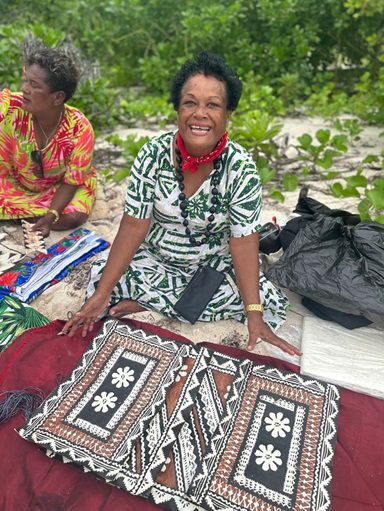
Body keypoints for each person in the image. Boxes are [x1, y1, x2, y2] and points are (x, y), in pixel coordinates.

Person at [63, 52, 300, 356]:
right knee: (102, 277)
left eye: (212, 105)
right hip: (156, 259)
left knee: (260, 303)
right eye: (190, 102)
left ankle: (150, 301)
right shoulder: (153, 155)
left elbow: (243, 242)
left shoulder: (241, 168)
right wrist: (102, 293)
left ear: (228, 114)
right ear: (177, 109)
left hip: (214, 267)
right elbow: (134, 226)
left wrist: (253, 314)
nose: (200, 114)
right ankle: (170, 302)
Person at [0, 38, 96, 237]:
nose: (25, 88)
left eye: (34, 84)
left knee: (73, 217)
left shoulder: (79, 129)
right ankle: (27, 214)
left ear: (58, 97)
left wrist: (51, 216)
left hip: (59, 188)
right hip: (14, 182)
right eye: (25, 80)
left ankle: (24, 215)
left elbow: (71, 182)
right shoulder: (10, 106)